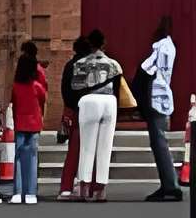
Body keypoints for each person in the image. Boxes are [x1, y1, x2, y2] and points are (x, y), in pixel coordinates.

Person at [67, 30, 124, 203]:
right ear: (103, 43)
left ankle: (84, 187)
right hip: (109, 102)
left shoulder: (80, 63)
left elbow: (75, 87)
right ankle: (101, 190)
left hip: (89, 100)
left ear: (89, 44)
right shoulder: (114, 64)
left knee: (87, 146)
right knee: (105, 147)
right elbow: (118, 89)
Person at [138, 19, 180, 202]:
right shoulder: (169, 47)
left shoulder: (161, 47)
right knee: (159, 141)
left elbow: (147, 69)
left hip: (155, 98)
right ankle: (169, 184)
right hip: (162, 97)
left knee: (159, 142)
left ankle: (170, 186)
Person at [8, 41, 47, 204]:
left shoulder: (16, 86)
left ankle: (18, 192)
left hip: (20, 122)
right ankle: (31, 192)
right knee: (32, 157)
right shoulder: (37, 86)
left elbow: (14, 103)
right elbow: (42, 100)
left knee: (18, 157)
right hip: (34, 123)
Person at [58, 36, 89, 200]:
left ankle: (66, 187)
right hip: (88, 110)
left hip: (73, 110)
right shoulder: (89, 66)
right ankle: (86, 186)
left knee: (73, 151)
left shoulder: (69, 65)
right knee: (89, 151)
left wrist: (69, 107)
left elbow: (64, 88)